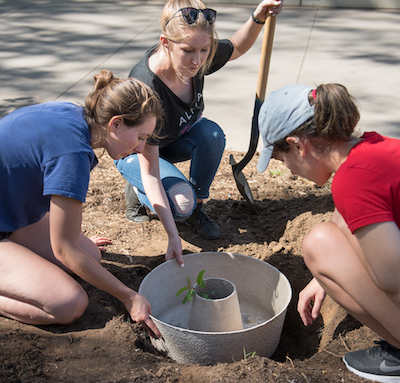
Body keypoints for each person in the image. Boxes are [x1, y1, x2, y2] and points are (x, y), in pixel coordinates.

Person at [0, 70, 164, 338]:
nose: (141, 148)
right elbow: (65, 250)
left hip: (8, 211)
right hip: (8, 218)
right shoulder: (73, 153)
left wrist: (70, 241)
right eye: (142, 137)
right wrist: (129, 296)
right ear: (116, 124)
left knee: (90, 255)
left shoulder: (74, 116)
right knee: (68, 304)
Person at [256, 83, 400, 382]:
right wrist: (325, 275)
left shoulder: (352, 181)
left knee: (318, 243)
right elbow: (347, 217)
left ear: (298, 144)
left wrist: (337, 268)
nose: (291, 171)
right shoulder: (377, 147)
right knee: (327, 243)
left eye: (283, 160)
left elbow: (393, 277)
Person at [115, 0, 283, 241]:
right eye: (188, 51)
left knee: (211, 135)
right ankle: (140, 191)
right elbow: (150, 170)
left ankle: (196, 208)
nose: (198, 60)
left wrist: (258, 17)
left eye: (204, 50)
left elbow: (236, 46)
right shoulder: (147, 87)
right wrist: (173, 235)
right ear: (165, 43)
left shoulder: (197, 54)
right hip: (138, 152)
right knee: (181, 203)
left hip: (171, 140)